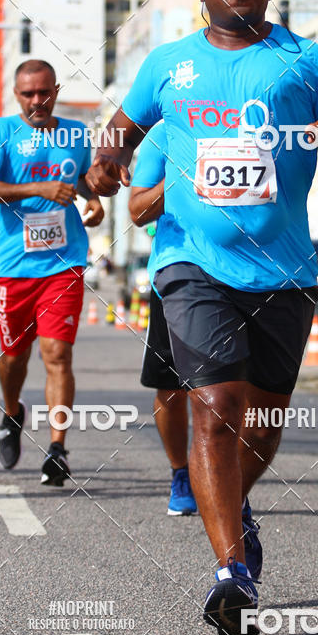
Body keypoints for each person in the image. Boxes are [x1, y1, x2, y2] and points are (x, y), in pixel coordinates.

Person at [87, 0, 318, 635]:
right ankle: (231, 572)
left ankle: (232, 508)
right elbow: (120, 131)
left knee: (263, 422)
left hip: (284, 268)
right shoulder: (168, 64)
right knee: (213, 405)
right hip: (191, 263)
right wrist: (103, 167)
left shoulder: (306, 63)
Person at [0, 59, 104, 486]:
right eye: (28, 94)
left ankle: (57, 450)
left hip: (63, 263)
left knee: (57, 354)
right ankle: (13, 411)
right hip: (13, 266)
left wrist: (93, 199)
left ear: (56, 89)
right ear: (16, 95)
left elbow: (81, 176)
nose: (37, 101)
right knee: (14, 358)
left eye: (44, 92)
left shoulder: (75, 133)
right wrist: (37, 189)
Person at [128, 123, 197, 516]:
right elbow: (138, 211)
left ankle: (229, 476)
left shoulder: (259, 123)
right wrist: (184, 175)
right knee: (172, 388)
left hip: (249, 272)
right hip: (178, 270)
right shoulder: (164, 136)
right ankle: (181, 472)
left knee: (230, 389)